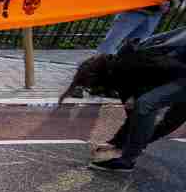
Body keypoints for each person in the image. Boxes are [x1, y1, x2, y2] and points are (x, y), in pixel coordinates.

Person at [60, 32, 186, 172]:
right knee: (174, 114)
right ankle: (134, 148)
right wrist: (116, 142)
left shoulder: (126, 68)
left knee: (146, 104)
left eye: (93, 87)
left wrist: (120, 144)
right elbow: (134, 117)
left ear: (100, 78)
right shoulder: (123, 62)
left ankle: (127, 160)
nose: (95, 91)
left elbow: (138, 111)